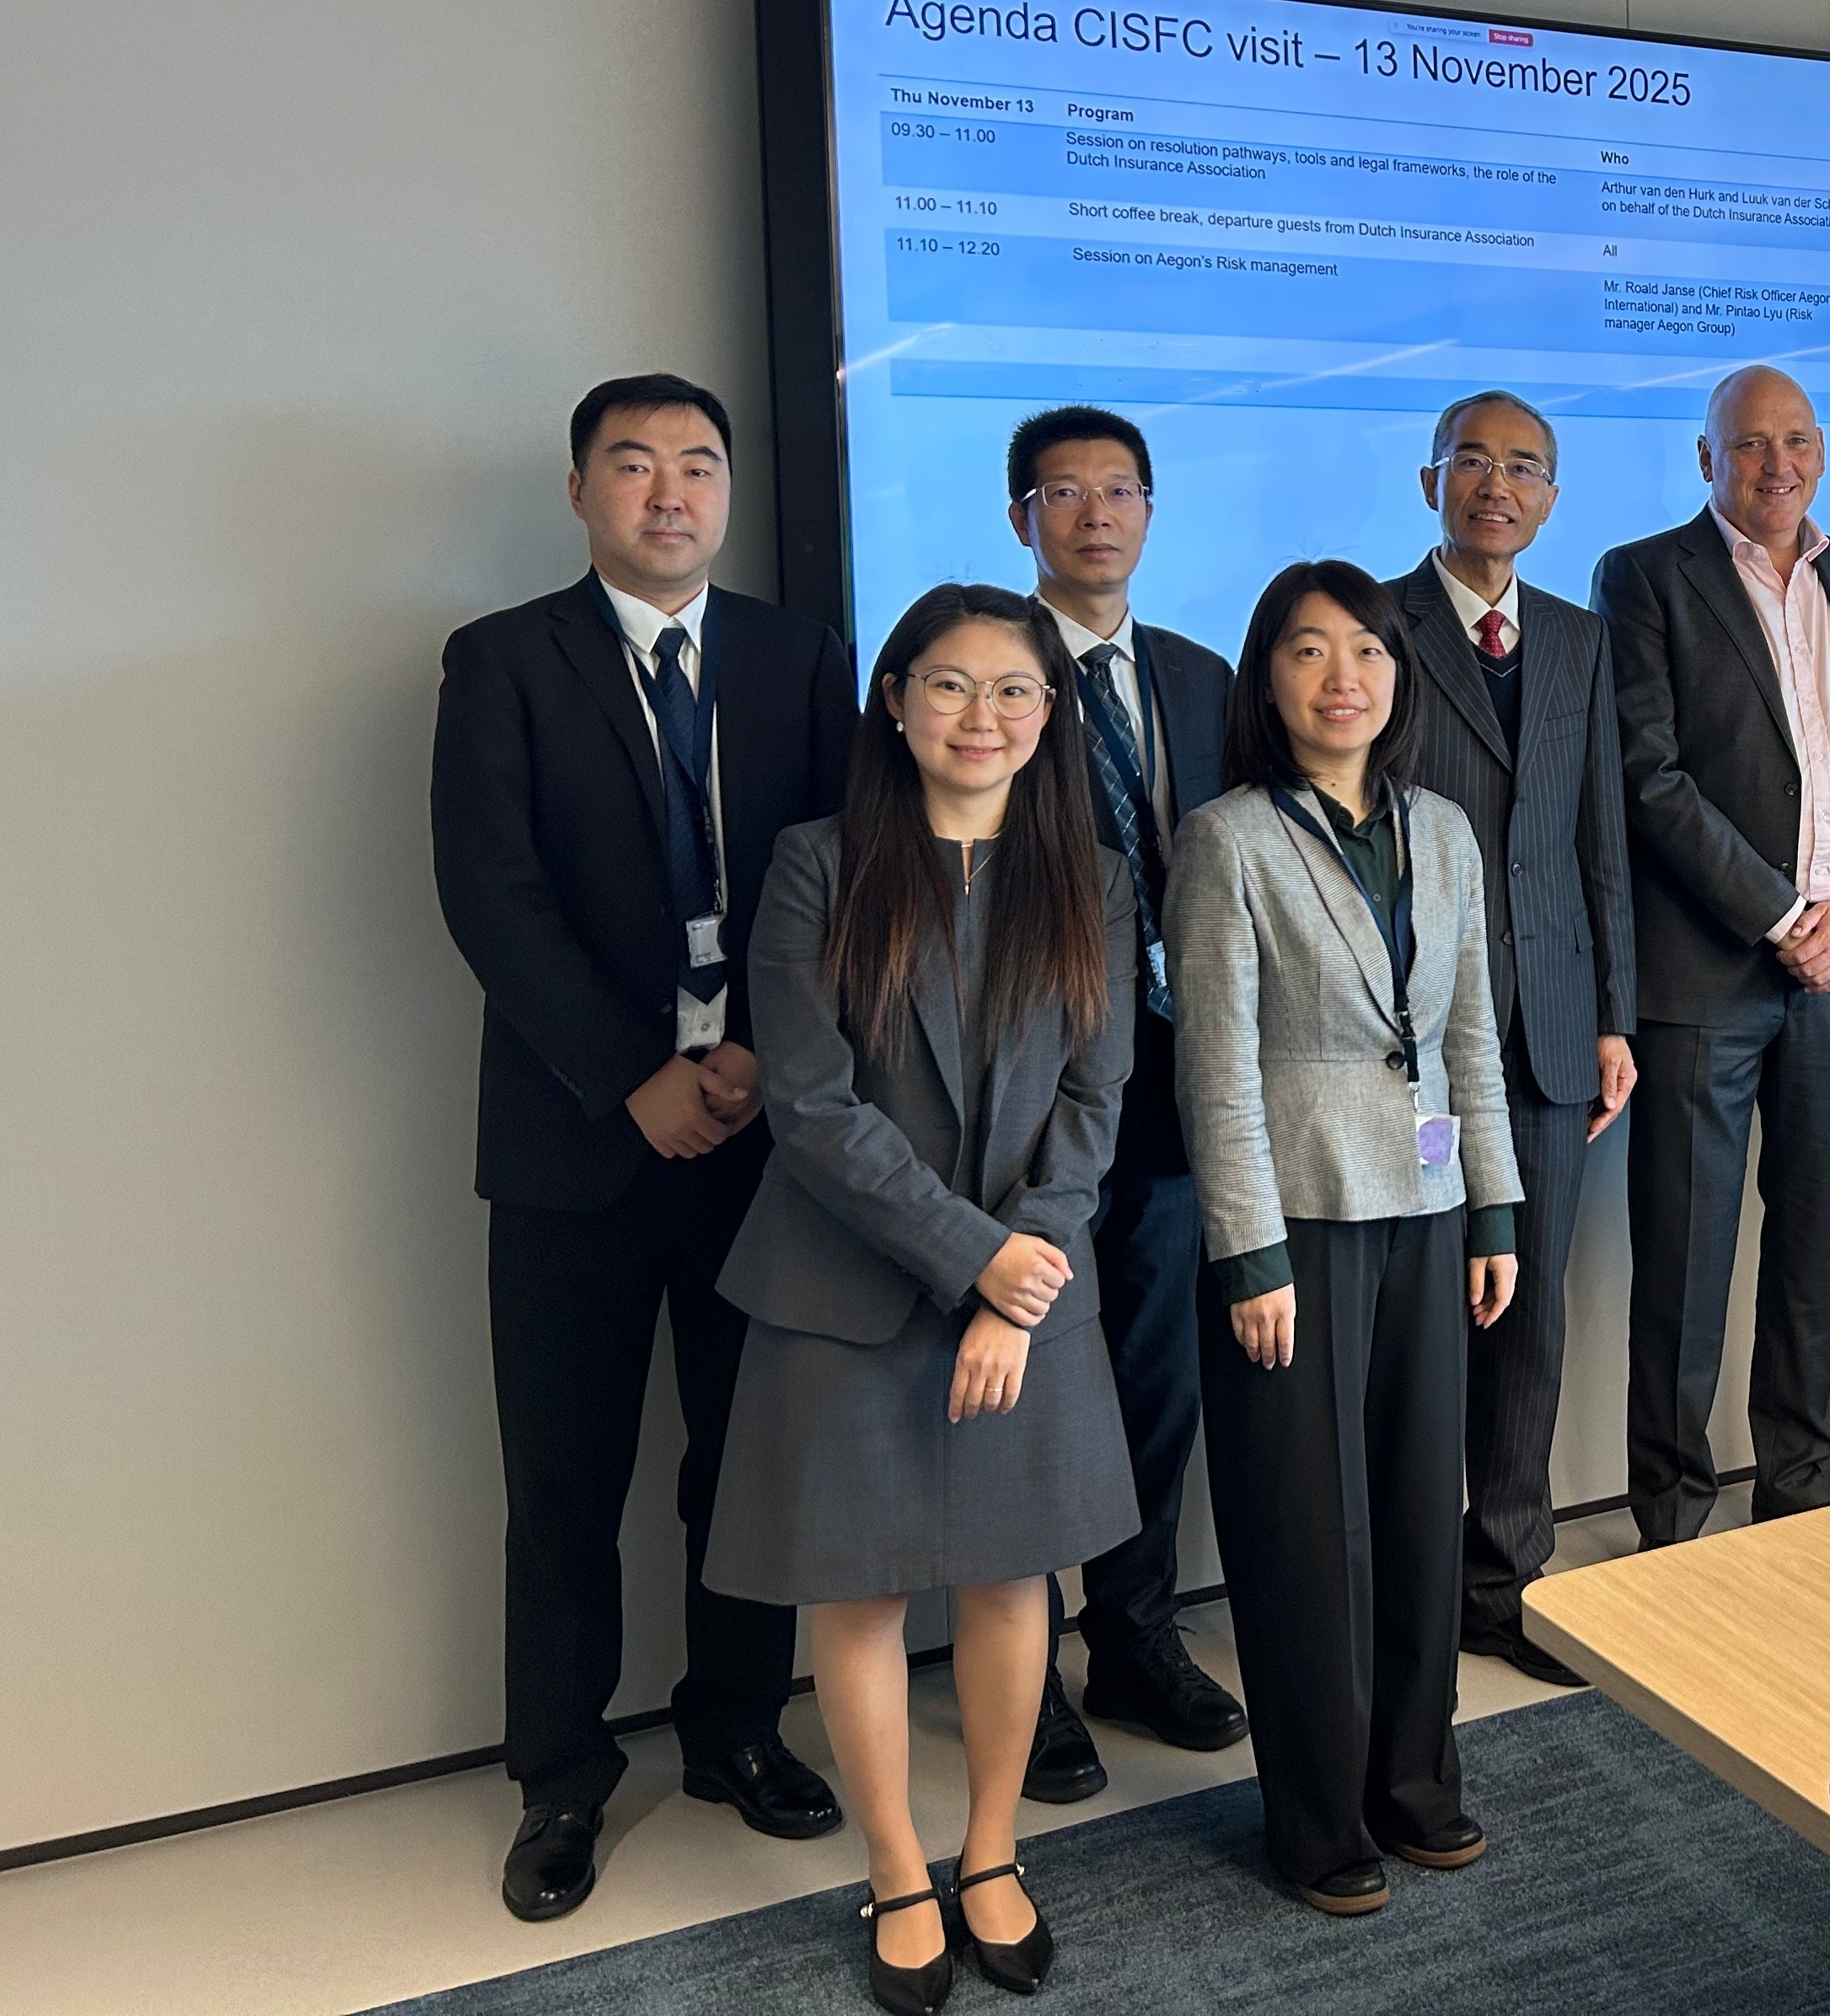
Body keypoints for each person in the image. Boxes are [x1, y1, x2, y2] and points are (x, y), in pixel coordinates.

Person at [430, 373, 851, 1923]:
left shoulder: (798, 656)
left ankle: (737, 1729)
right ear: (579, 490)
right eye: (633, 464)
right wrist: (632, 1079)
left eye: (697, 465)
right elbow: (491, 896)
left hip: (761, 1140)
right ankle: (560, 1778)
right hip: (573, 1149)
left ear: (727, 488)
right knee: (564, 1483)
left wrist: (757, 1053)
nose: (669, 492)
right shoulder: (502, 660)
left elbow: (845, 873)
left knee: (747, 1465)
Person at [705, 585, 1139, 2013]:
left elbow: (1095, 1103)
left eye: (1013, 690)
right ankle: (898, 1868)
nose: (980, 716)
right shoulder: (816, 864)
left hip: (1034, 1287)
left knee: (1015, 1579)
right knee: (862, 1588)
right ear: (893, 702)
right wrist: (973, 1258)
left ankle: (993, 1851)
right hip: (846, 1291)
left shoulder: (1091, 877)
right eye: (948, 685)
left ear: (1049, 715)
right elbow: (812, 1107)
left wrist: (1017, 1287)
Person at [1168, 562, 1524, 1917]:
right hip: (1297, 1225)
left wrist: (1493, 1207)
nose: (1343, 678)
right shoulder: (1227, 841)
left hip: (1427, 1213)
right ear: (1267, 678)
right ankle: (1317, 1821)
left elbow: (1469, 1029)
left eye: (1367, 651)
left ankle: (1415, 1783)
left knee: (1421, 1516)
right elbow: (1215, 1065)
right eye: (1309, 652)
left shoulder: (1443, 829)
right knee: (1307, 1535)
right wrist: (1247, 1252)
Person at [1597, 366, 1830, 1545]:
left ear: (1822, 453)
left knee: (1811, 1258)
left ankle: (1799, 1503)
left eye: (1794, 441)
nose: (1774, 464)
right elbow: (1648, 775)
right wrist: (1786, 917)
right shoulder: (1644, 575)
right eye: (1747, 444)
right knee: (1683, 1269)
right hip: (1709, 976)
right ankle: (1672, 1527)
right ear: (1707, 460)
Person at [997, 405, 1248, 1801]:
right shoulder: (985, 669)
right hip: (1028, 1092)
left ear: (1150, 511)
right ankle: (1021, 1671)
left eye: (1119, 491)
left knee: (1157, 1372)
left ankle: (1135, 1636)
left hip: (1172, 1081)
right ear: (1020, 518)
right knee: (1030, 1376)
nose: (1095, 514)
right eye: (1064, 492)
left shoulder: (1203, 680)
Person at [1386, 391, 1636, 1687]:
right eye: (1473, 462)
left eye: (1524, 467)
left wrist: (1613, 1015)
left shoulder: (1581, 639)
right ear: (1429, 480)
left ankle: (1508, 1584)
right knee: (1426, 1312)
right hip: (1414, 1045)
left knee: (1529, 1318)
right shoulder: (1375, 625)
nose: (1498, 485)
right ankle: (1408, 1581)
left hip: (1547, 1033)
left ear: (1551, 496)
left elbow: (1600, 839)